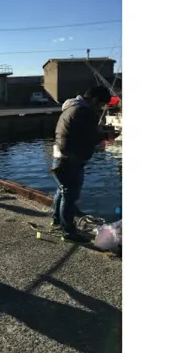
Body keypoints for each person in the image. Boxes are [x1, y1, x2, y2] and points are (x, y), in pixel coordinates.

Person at [50, 86, 117, 244]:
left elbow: (80, 132)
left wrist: (101, 132)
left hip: (60, 156)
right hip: (70, 159)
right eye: (100, 105)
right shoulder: (84, 111)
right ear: (94, 99)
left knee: (62, 191)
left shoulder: (71, 107)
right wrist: (108, 135)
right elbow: (91, 137)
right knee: (70, 195)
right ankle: (68, 232)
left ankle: (57, 221)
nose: (100, 109)